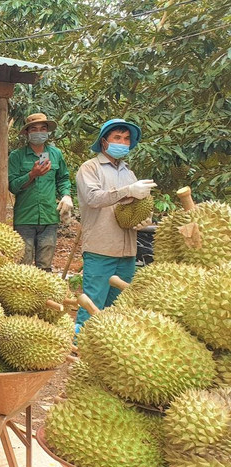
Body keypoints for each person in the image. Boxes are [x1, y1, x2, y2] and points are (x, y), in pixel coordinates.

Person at [75, 119, 156, 327]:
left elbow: (139, 206)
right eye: (117, 138)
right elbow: (93, 198)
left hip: (127, 251)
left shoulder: (129, 173)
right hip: (101, 248)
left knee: (118, 305)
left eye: (127, 139)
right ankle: (80, 346)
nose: (123, 142)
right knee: (93, 304)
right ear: (104, 142)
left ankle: (106, 352)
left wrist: (145, 219)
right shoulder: (90, 168)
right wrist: (128, 191)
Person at [8, 112, 72, 271]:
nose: (39, 133)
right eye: (34, 129)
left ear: (47, 132)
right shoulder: (17, 156)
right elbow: (12, 186)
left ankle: (44, 296)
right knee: (24, 265)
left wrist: (66, 195)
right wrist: (32, 175)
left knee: (45, 266)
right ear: (27, 133)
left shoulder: (55, 154)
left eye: (43, 129)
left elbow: (63, 178)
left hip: (49, 217)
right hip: (25, 218)